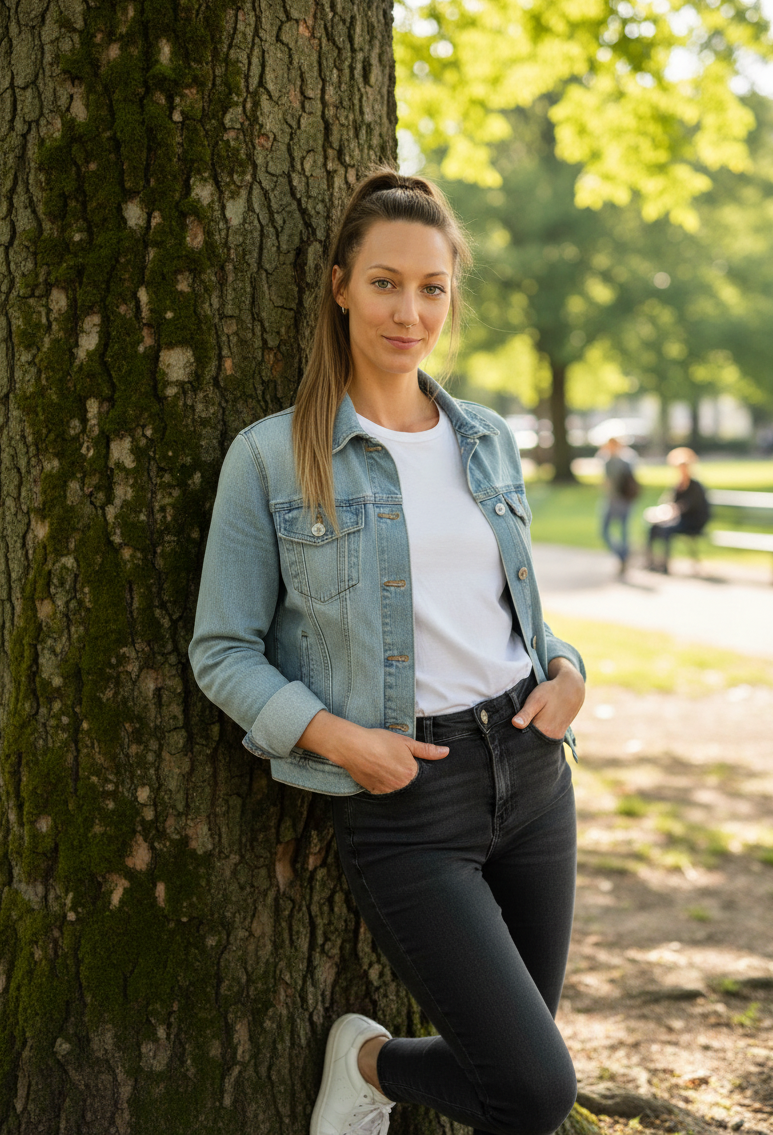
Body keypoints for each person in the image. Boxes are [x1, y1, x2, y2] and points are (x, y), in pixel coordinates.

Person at [189, 168, 586, 1135]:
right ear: (339, 286)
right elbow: (221, 649)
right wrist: (336, 739)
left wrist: (568, 671)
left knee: (514, 1068)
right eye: (384, 282)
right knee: (536, 1090)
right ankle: (365, 1058)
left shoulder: (486, 437)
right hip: (407, 801)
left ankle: (378, 1069)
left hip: (534, 772)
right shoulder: (274, 457)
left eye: (431, 287)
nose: (409, 310)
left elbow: (512, 608)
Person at [645, 446, 710, 573]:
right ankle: (651, 561)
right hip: (679, 519)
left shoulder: (695, 486)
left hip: (693, 521)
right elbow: (668, 501)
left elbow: (688, 506)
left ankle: (664, 565)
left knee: (667, 530)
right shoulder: (678, 485)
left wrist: (673, 510)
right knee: (653, 527)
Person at [600, 436, 638, 576]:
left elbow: (609, 484)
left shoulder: (612, 462)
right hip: (623, 501)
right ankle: (624, 555)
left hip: (616, 501)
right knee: (621, 532)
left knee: (611, 531)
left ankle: (623, 556)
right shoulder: (627, 461)